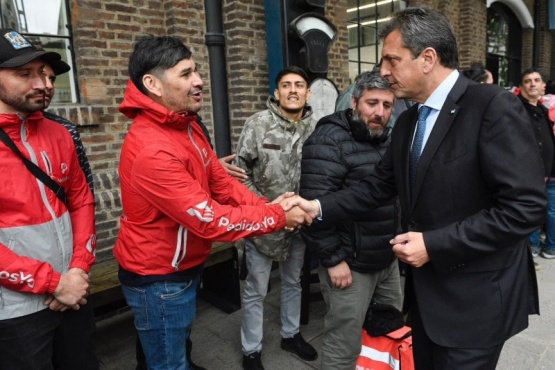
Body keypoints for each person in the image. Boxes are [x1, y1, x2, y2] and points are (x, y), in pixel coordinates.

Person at [287, 7, 547, 369]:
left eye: (392, 60)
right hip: (425, 301)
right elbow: (377, 187)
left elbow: (525, 208)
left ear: (428, 58)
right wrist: (317, 207)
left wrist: (434, 244)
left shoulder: (491, 106)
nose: (383, 71)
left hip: (476, 304)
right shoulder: (408, 119)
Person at [115, 35, 311, 370]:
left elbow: (221, 183)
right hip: (159, 276)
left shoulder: (187, 126)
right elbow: (210, 219)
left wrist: (268, 208)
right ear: (153, 84)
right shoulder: (153, 148)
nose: (199, 80)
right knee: (166, 361)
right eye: (186, 73)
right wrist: (277, 216)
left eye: (197, 71)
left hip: (183, 265)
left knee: (178, 346)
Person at [0, 28, 97, 369]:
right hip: (15, 310)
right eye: (24, 74)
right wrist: (54, 283)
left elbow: (82, 200)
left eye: (43, 73)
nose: (43, 84)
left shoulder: (59, 132)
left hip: (73, 292)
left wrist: (78, 271)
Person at [299, 71, 403, 369]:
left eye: (386, 105)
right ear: (355, 102)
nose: (379, 112)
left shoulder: (388, 138)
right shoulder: (327, 141)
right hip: (350, 263)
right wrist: (333, 260)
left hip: (387, 257)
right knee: (344, 344)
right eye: (372, 103)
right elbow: (312, 209)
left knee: (388, 332)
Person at [234, 66, 318, 370]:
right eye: (286, 85)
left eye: (299, 85)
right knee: (256, 289)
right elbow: (239, 175)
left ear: (308, 93)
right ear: (276, 92)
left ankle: (290, 333)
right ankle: (251, 350)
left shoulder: (317, 129)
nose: (293, 90)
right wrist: (269, 210)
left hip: (299, 224)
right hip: (262, 224)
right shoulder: (257, 125)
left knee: (294, 281)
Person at [517, 68, 555, 261]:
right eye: (527, 81)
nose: (532, 84)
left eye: (536, 80)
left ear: (543, 86)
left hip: (550, 172)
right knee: (531, 210)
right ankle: (532, 245)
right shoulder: (516, 110)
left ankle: (550, 246)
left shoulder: (544, 109)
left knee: (551, 210)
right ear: (521, 86)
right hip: (528, 173)